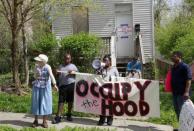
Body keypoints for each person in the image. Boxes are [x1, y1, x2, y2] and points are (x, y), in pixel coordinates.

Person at [31, 54, 58, 128]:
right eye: (37, 60)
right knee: (36, 102)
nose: (37, 61)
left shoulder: (47, 67)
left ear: (43, 62)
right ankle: (35, 121)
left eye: (39, 61)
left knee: (45, 103)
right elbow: (34, 76)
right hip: (37, 86)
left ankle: (44, 121)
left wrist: (54, 84)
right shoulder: (36, 66)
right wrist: (36, 74)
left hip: (46, 88)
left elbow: (51, 76)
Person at [52, 53, 78, 124]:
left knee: (70, 101)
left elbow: (78, 75)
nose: (67, 60)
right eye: (66, 58)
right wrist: (56, 72)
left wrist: (73, 72)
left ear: (70, 59)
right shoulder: (60, 66)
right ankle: (58, 117)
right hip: (62, 86)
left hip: (71, 85)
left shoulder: (73, 66)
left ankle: (69, 115)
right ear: (64, 59)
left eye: (68, 58)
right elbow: (57, 75)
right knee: (61, 101)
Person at [97, 54, 119, 126]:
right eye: (104, 61)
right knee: (102, 105)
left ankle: (110, 119)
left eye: (106, 60)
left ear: (110, 62)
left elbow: (118, 79)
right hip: (102, 90)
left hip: (111, 90)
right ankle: (102, 119)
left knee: (110, 105)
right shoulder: (101, 69)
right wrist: (99, 70)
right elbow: (97, 77)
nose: (105, 62)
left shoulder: (114, 69)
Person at [171, 51, 192, 120]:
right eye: (172, 56)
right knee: (177, 110)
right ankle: (181, 126)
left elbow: (189, 80)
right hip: (175, 93)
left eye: (174, 56)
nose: (172, 58)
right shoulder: (173, 67)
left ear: (179, 57)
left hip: (182, 94)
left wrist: (186, 92)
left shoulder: (185, 67)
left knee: (183, 111)